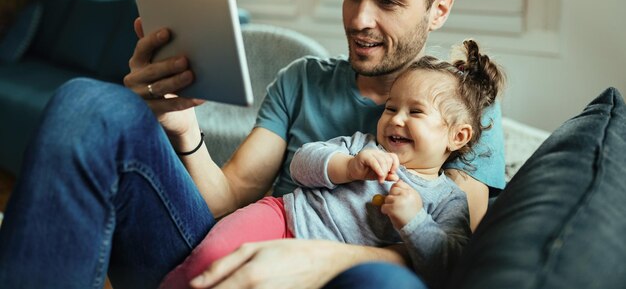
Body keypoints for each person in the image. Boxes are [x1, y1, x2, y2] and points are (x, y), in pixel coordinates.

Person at [0, 0, 505, 289]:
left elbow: (459, 263)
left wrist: (321, 260)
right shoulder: (301, 80)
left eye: (388, 2)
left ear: (438, 9)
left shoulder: (462, 108)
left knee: (386, 284)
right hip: (231, 253)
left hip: (342, 277)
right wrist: (181, 127)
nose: (358, 19)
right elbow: (229, 196)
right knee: (89, 102)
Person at [160, 40, 506, 289]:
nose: (395, 120)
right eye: (390, 108)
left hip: (332, 263)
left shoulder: (448, 200)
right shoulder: (362, 145)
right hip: (282, 217)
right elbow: (302, 163)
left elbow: (448, 265)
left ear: (458, 137)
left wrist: (415, 221)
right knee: (212, 258)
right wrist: (350, 165)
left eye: (415, 112)